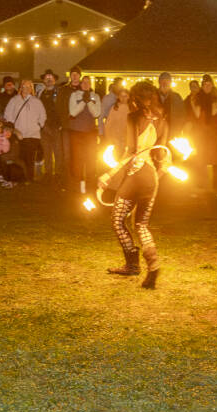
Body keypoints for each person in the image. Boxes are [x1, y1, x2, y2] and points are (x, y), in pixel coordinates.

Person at [100, 81, 169, 290]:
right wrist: (156, 174)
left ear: (136, 99)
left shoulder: (133, 118)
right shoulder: (163, 121)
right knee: (141, 225)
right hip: (152, 177)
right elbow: (163, 157)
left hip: (136, 174)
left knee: (118, 219)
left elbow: (131, 152)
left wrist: (108, 174)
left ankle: (132, 265)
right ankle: (153, 264)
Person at [186, 74, 217, 198]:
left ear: (212, 84)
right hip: (199, 134)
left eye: (209, 84)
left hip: (214, 134)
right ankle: (197, 187)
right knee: (198, 162)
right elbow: (190, 115)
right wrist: (189, 125)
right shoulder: (195, 99)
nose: (207, 86)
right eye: (205, 84)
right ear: (202, 85)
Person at [3, 80, 46, 183]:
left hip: (33, 134)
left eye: (28, 87)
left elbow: (43, 116)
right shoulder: (14, 100)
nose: (26, 89)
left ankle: (30, 178)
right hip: (19, 133)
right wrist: (13, 128)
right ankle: (21, 177)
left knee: (30, 157)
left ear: (32, 89)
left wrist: (39, 125)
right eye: (24, 86)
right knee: (20, 157)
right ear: (20, 88)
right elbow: (8, 114)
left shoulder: (37, 101)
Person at [69, 76, 101, 193]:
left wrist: (89, 102)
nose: (86, 84)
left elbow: (96, 113)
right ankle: (78, 185)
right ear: (80, 84)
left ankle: (90, 185)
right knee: (77, 160)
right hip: (77, 132)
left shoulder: (95, 96)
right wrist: (83, 101)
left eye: (88, 82)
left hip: (90, 133)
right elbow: (73, 112)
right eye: (84, 82)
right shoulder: (74, 95)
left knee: (91, 159)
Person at [56, 66, 83, 189]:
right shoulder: (64, 90)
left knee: (78, 154)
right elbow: (59, 107)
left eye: (77, 74)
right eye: (73, 74)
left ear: (80, 76)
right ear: (70, 76)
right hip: (67, 127)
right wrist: (62, 121)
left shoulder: (85, 89)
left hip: (80, 128)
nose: (75, 76)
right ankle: (66, 180)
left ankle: (77, 179)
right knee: (66, 155)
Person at [38, 69, 63, 186]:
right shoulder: (40, 94)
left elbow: (63, 110)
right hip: (44, 128)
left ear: (54, 80)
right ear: (43, 80)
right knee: (47, 152)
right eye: (46, 77)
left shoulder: (59, 93)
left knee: (58, 153)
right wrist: (42, 125)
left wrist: (61, 125)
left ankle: (58, 174)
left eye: (51, 77)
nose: (48, 79)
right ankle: (47, 174)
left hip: (57, 128)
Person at [104, 87, 131, 159]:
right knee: (117, 158)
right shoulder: (115, 108)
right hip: (115, 138)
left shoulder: (131, 108)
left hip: (127, 138)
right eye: (121, 96)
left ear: (129, 96)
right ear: (118, 97)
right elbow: (108, 124)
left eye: (125, 96)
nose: (123, 98)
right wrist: (108, 137)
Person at [158, 72, 186, 140]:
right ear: (159, 82)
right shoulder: (153, 96)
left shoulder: (176, 97)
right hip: (157, 132)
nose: (165, 83)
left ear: (170, 82)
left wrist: (178, 129)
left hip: (172, 132)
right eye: (163, 80)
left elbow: (182, 114)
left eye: (167, 81)